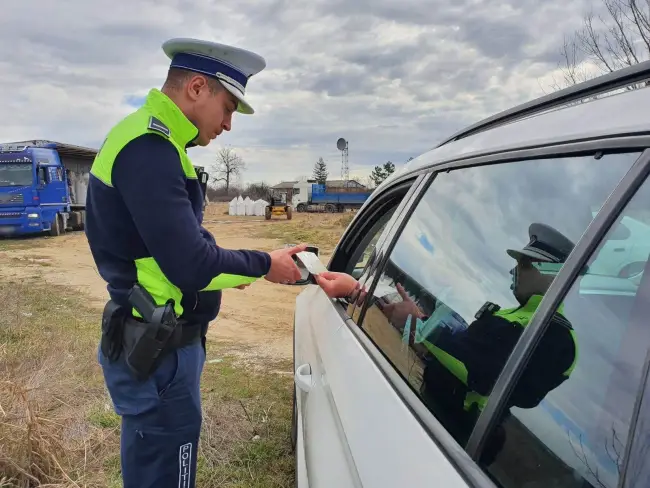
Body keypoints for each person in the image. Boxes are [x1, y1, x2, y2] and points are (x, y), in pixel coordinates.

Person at [85, 38, 306, 488]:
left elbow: (173, 249)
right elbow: (189, 263)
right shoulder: (150, 148)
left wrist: (231, 268)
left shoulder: (157, 145)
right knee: (167, 472)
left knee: (151, 465)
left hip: (157, 342)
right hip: (159, 349)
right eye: (227, 108)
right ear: (197, 88)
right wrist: (264, 263)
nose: (227, 124)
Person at [315, 223, 578, 463]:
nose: (513, 270)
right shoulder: (521, 316)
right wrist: (416, 319)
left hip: (454, 440)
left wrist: (419, 325)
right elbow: (467, 345)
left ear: (551, 273)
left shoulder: (556, 337)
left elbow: (482, 372)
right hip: (434, 418)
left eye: (522, 265)